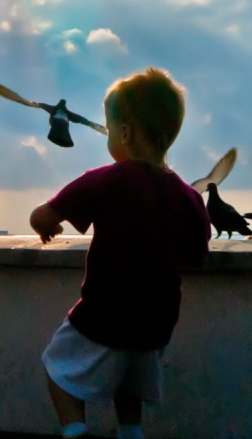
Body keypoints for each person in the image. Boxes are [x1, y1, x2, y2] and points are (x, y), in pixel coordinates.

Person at [30, 67, 210, 439]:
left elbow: (43, 215)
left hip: (104, 315)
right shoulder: (188, 196)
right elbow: (197, 254)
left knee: (58, 368)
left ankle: (75, 432)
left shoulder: (105, 180)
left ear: (125, 132)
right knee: (129, 377)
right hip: (157, 324)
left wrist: (45, 226)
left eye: (110, 129)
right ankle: (131, 434)